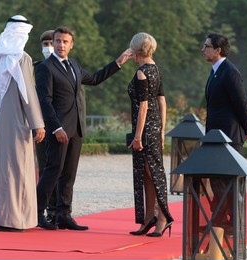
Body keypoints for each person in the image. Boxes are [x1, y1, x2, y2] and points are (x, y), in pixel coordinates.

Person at [35, 26, 132, 230]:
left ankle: (64, 215)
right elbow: (45, 101)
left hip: (76, 129)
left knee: (69, 175)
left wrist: (119, 62)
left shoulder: (75, 65)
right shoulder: (46, 67)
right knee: (52, 171)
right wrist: (56, 128)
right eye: (57, 41)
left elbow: (95, 79)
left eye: (65, 42)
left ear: (71, 45)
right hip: (59, 130)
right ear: (53, 43)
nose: (60, 45)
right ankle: (38, 213)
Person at [0, 15, 45, 232]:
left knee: (3, 168)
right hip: (18, 121)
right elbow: (27, 92)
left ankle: (1, 217)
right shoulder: (21, 57)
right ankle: (18, 220)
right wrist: (37, 123)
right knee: (19, 169)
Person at [201, 32, 247, 231]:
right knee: (217, 179)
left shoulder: (230, 71)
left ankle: (230, 222)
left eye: (207, 46)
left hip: (229, 137)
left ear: (218, 50)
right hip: (217, 135)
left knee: (226, 181)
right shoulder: (216, 71)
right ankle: (221, 221)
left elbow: (240, 103)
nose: (203, 49)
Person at [127, 32, 174, 237]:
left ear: (136, 51)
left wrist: (138, 137)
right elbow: (162, 102)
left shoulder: (142, 73)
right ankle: (149, 218)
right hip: (154, 129)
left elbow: (143, 107)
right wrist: (162, 131)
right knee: (149, 174)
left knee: (152, 174)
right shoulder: (156, 69)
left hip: (145, 129)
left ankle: (162, 218)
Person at [33, 30, 57, 224]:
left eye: (51, 42)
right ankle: (43, 210)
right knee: (44, 168)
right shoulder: (35, 68)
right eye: (45, 44)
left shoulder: (67, 67)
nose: (48, 47)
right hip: (42, 125)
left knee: (61, 171)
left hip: (61, 125)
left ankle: (58, 210)